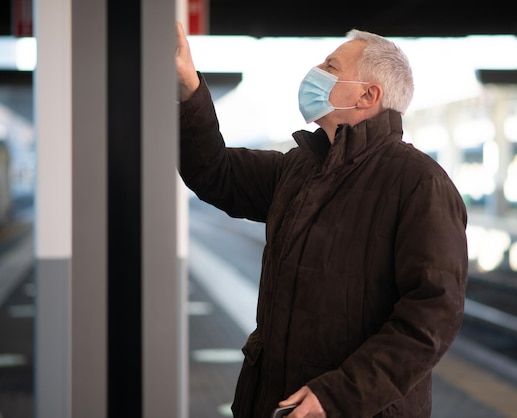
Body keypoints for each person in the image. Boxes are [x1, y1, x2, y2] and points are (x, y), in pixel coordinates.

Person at [176, 21, 468, 418]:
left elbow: (431, 317)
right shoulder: (298, 168)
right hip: (278, 402)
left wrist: (338, 396)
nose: (315, 72)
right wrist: (190, 89)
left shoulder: (419, 183)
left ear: (368, 94)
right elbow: (216, 173)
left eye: (330, 67)